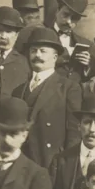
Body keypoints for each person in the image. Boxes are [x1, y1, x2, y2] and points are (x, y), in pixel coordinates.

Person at [12, 26, 76, 170]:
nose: (37, 55)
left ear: (54, 57)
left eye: (43, 51)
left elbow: (74, 132)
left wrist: (66, 165)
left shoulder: (68, 88)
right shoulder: (18, 91)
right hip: (22, 163)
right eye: (33, 51)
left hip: (51, 163)